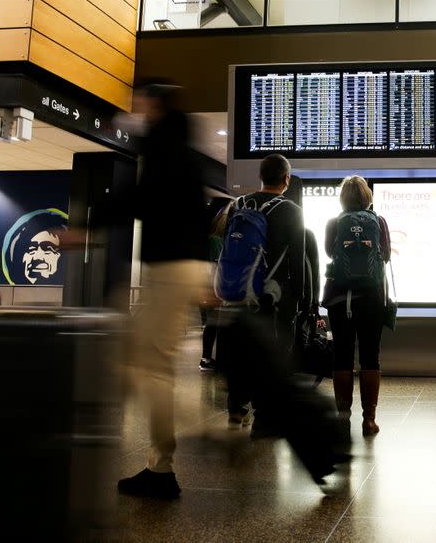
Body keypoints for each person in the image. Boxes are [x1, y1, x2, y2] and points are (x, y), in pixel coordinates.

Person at [114, 82, 209, 499]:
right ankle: (161, 463)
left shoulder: (163, 149)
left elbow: (140, 198)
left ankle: (198, 439)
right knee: (151, 363)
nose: (137, 109)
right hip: (181, 269)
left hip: (169, 270)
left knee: (146, 365)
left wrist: (87, 227)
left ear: (154, 103)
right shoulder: (184, 151)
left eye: (141, 102)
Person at [218, 154, 306, 432]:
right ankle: (263, 415)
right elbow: (298, 258)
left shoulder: (239, 205)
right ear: (286, 179)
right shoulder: (291, 210)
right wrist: (300, 298)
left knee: (239, 350)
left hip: (237, 291)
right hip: (272, 295)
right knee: (269, 353)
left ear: (261, 176)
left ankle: (236, 409)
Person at [324, 176, 390, 437]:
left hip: (340, 298)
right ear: (367, 196)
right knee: (370, 356)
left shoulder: (333, 223)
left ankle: (342, 417)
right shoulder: (379, 221)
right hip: (373, 297)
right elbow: (385, 254)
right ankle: (369, 419)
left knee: (342, 354)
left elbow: (330, 253)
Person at [199, 209, 227, 372]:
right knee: (214, 323)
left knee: (213, 323)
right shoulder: (216, 242)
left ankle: (207, 358)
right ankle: (206, 358)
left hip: (210, 287)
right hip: (214, 288)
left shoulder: (211, 240)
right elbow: (214, 267)